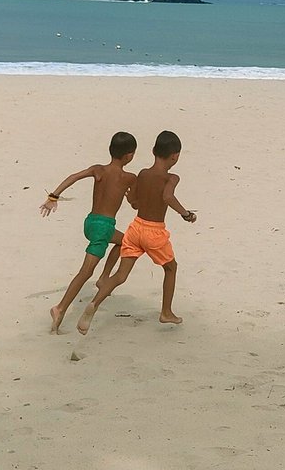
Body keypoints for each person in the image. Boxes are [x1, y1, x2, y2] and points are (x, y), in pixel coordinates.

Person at [77, 129, 196, 334]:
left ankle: (95, 304)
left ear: (153, 151)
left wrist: (131, 198)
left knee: (120, 276)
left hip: (136, 227)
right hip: (154, 232)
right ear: (175, 156)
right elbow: (167, 197)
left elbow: (134, 202)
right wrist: (186, 214)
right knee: (171, 268)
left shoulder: (142, 174)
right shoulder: (171, 178)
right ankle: (166, 312)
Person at [40, 130, 138, 334]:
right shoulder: (128, 177)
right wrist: (131, 198)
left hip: (91, 222)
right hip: (103, 227)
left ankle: (103, 278)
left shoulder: (98, 169)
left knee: (126, 241)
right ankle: (60, 308)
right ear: (129, 155)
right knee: (85, 272)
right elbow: (136, 203)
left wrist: (53, 196)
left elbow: (73, 177)